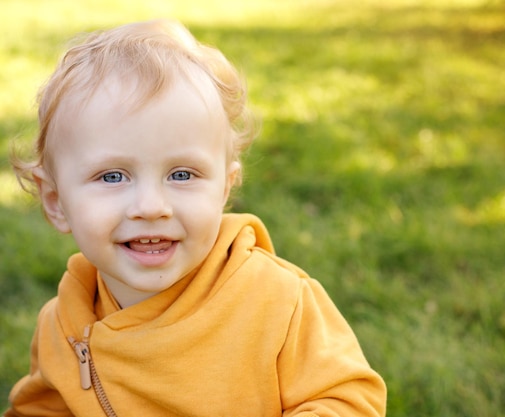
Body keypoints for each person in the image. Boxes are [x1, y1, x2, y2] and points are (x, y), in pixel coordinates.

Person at [4, 19, 386, 417]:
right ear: (55, 200)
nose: (151, 207)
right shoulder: (63, 324)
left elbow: (348, 400)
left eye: (182, 175)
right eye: (112, 176)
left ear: (224, 188)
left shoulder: (279, 301)